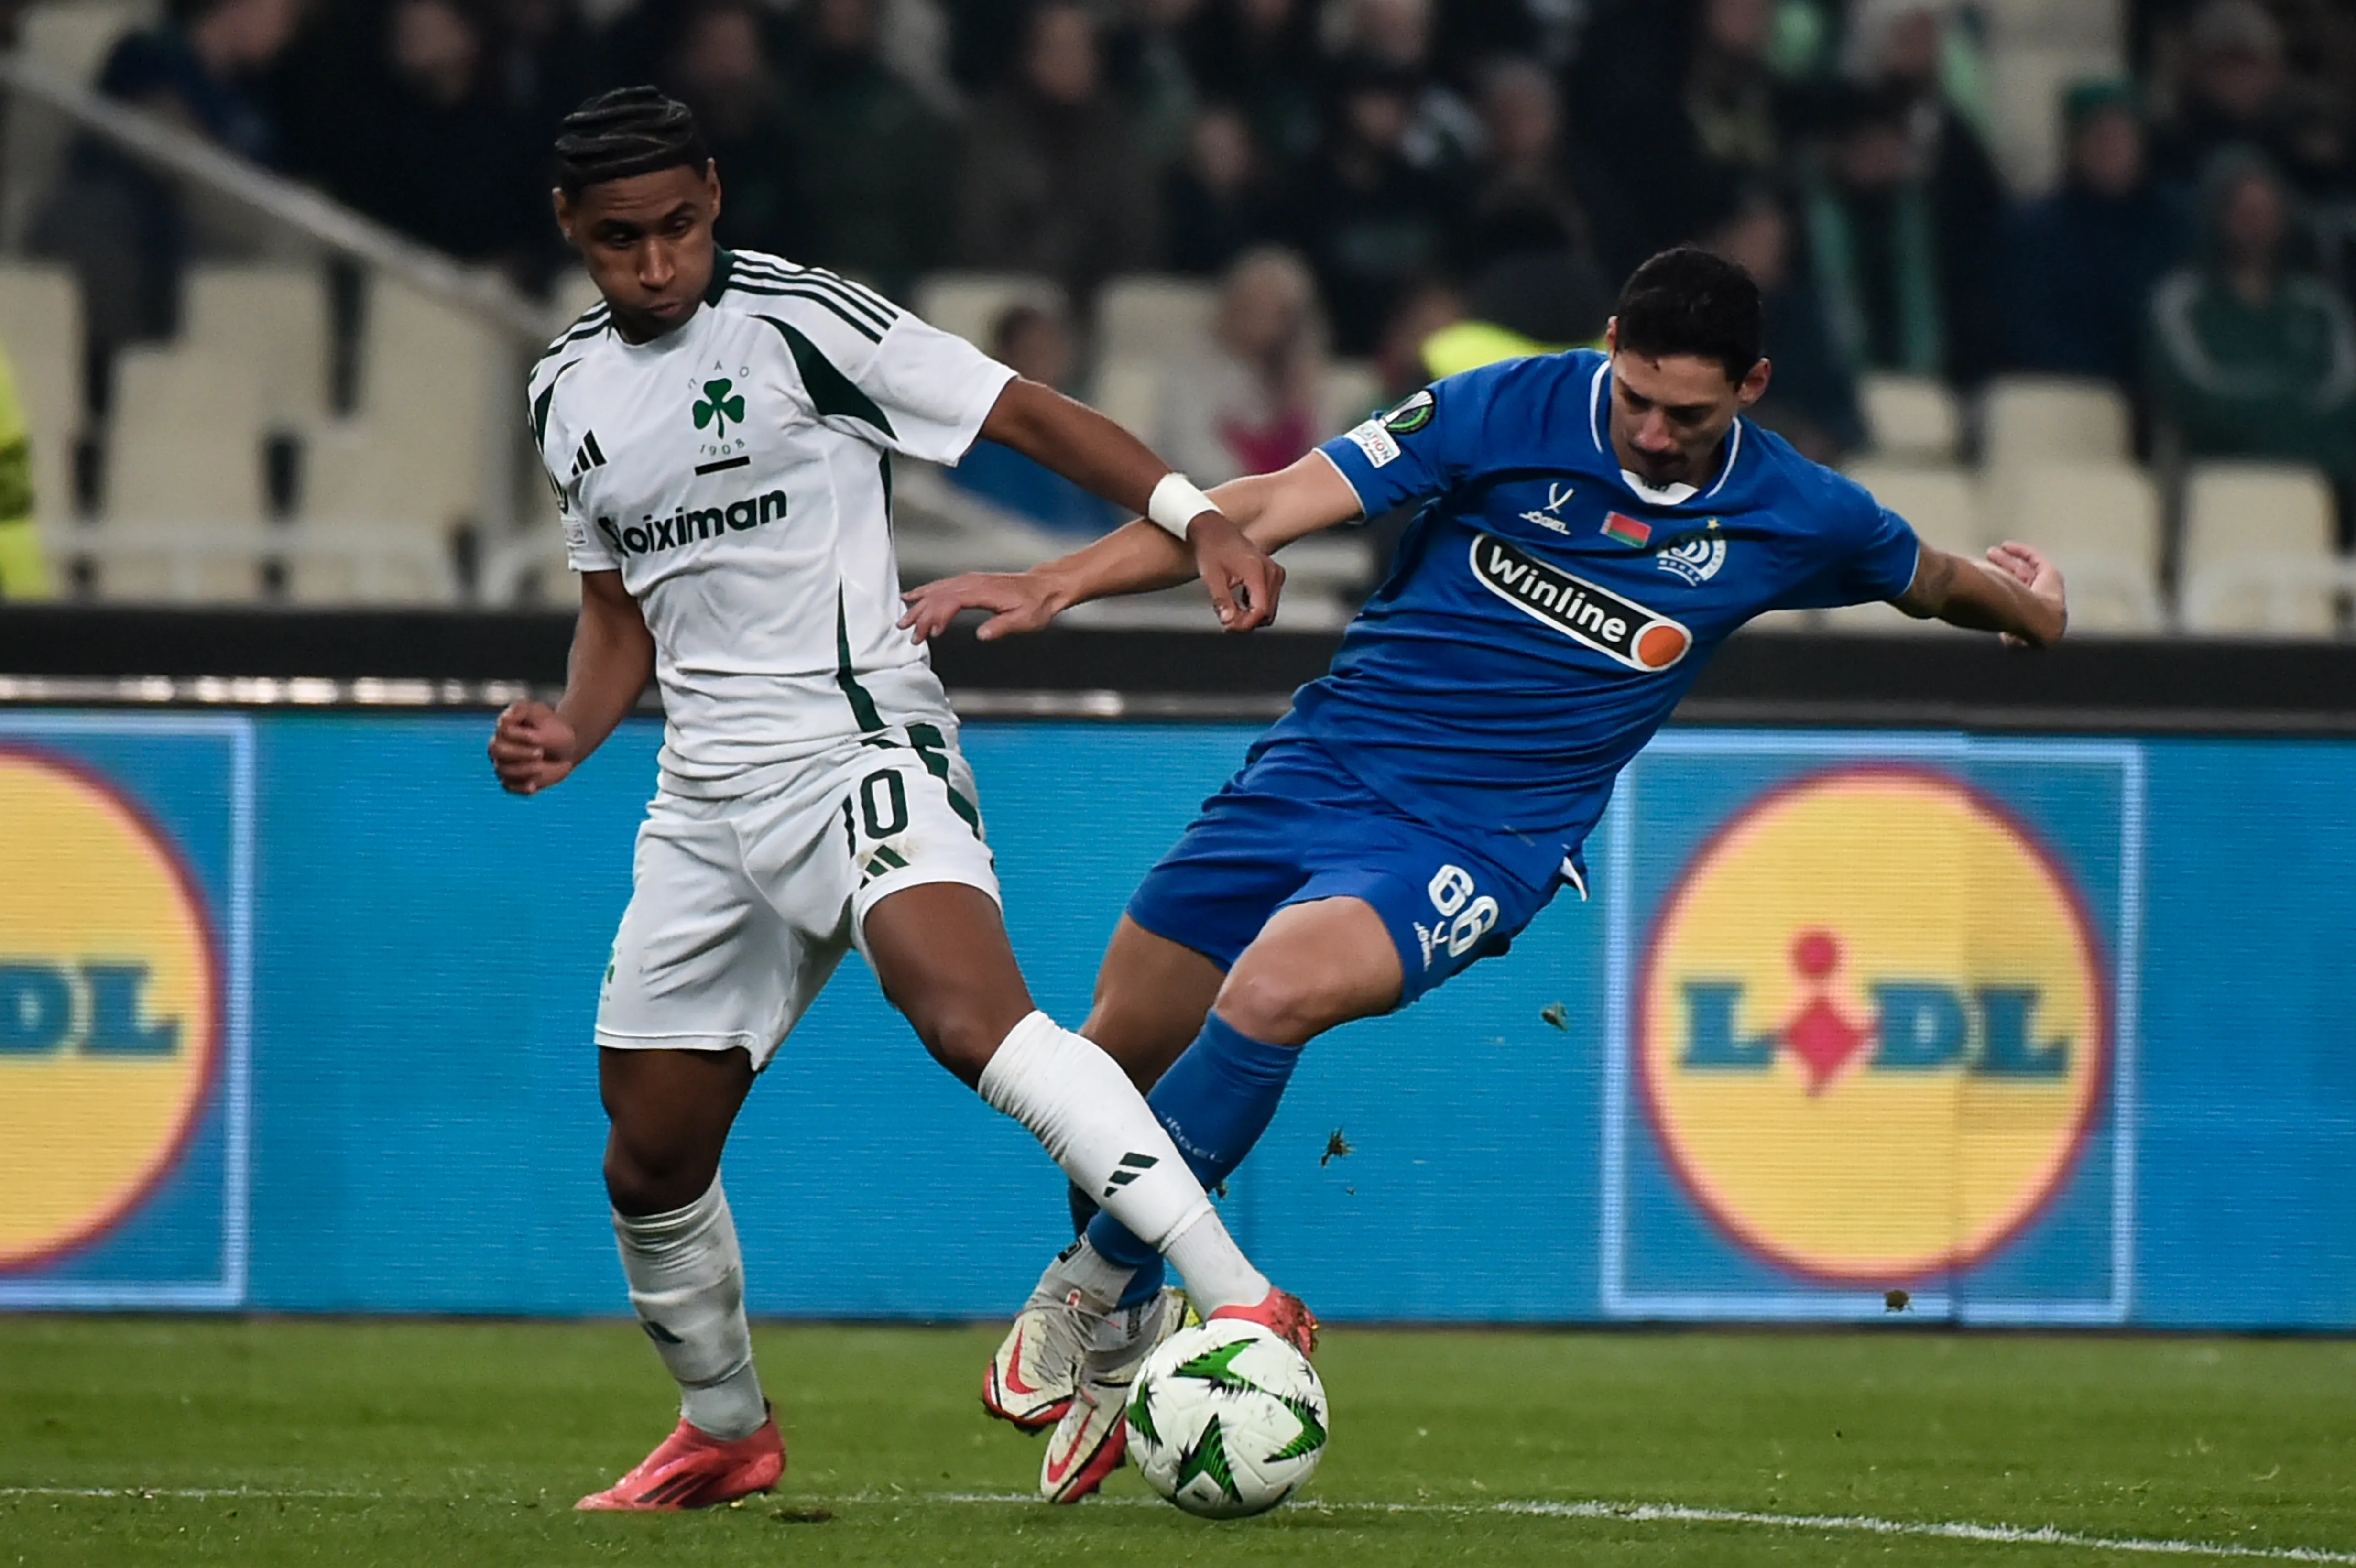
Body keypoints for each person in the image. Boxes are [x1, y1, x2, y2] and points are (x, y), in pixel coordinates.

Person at [901, 246, 2070, 1502]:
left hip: (1479, 841)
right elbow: (1281, 498)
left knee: (1278, 990)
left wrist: (2031, 611)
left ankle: (1093, 1290)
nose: (1659, 435)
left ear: (1756, 388)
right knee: (1105, 1075)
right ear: (1611, 345)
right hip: (1319, 765)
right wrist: (1060, 577)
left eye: (1694, 415)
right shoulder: (1503, 409)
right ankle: (1128, 1310)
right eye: (1638, 399)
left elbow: (1933, 581)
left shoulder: (1797, 513)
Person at [490, 86, 1309, 1514]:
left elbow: (1026, 414)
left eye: (680, 226)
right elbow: (618, 612)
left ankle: (1240, 1297)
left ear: (715, 199)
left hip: (856, 734)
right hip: (704, 792)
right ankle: (726, 1431)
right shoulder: (566, 390)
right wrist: (572, 723)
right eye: (621, 239)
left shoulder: (805, 323)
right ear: (569, 228)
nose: (657, 262)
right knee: (649, 1145)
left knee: (965, 1018)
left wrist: (1197, 517)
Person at [2147, 148, 2356, 485]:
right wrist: (2289, 407)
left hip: (2319, 478)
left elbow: (2345, 396)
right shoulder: (2182, 303)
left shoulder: (2320, 307)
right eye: (2244, 212)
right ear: (2218, 216)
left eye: (2265, 211)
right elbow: (2194, 399)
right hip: (2219, 477)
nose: (2256, 224)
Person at [953, 1, 1161, 303]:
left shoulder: (1120, 135)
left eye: (1082, 48)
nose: (1071, 60)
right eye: (1058, 48)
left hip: (1100, 302)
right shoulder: (988, 133)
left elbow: (1141, 236)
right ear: (1029, 56)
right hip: (1009, 298)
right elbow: (978, 236)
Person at [2003, 80, 2190, 396]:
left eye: (2123, 137)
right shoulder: (2033, 231)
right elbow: (2026, 330)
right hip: (2068, 395)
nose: (2112, 149)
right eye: (2099, 137)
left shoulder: (2178, 224)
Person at [1154, 246, 1329, 485]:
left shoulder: (1304, 377)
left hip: (1299, 508)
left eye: (1276, 311)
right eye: (1252, 304)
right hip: (1218, 501)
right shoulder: (1193, 369)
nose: (1260, 316)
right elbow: (1194, 456)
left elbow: (1326, 458)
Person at [946, 303, 1123, 533]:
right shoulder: (983, 434)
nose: (1047, 360)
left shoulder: (1085, 429)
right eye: (1034, 350)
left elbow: (1108, 514)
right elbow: (995, 519)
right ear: (1007, 356)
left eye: (1054, 349)